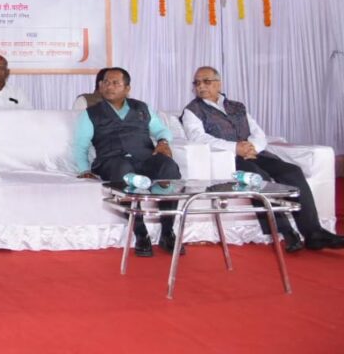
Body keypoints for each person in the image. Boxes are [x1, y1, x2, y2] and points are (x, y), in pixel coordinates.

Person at [182, 66, 344, 251]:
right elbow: (198, 138)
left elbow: (258, 133)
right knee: (259, 178)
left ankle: (314, 233)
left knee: (292, 171)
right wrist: (236, 148)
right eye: (197, 83)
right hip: (229, 159)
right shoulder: (192, 110)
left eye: (206, 81)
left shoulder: (237, 106)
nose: (201, 86)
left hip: (255, 153)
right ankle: (286, 232)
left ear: (219, 84)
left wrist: (252, 147)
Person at [72, 68, 181, 258]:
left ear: (127, 88)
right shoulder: (90, 114)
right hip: (111, 161)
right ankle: (141, 233)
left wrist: (163, 142)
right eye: (105, 82)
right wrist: (84, 169)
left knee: (168, 167)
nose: (109, 86)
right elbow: (80, 147)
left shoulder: (142, 108)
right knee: (123, 170)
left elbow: (162, 131)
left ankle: (167, 232)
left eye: (115, 83)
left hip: (145, 158)